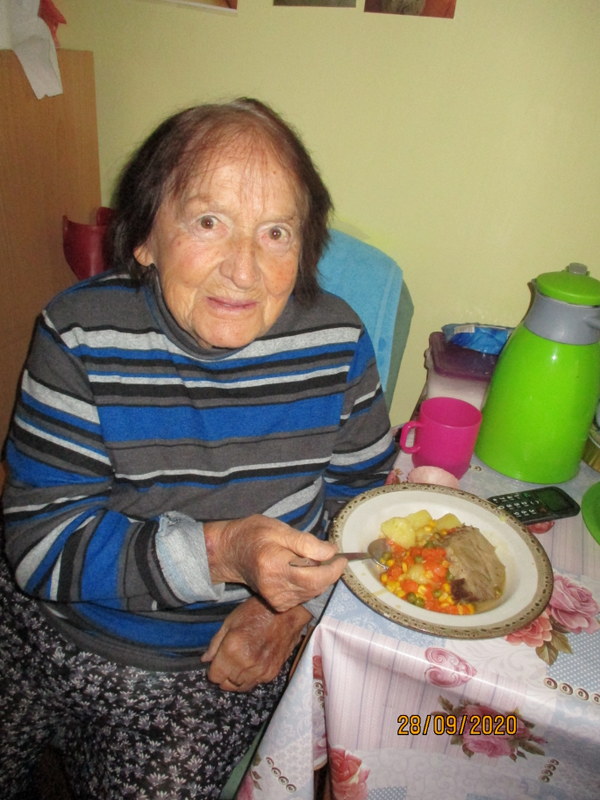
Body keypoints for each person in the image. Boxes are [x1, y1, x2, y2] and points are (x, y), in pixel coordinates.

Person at [0, 98, 396, 799]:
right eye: (208, 222)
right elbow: (40, 545)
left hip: (203, 669)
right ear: (145, 238)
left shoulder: (336, 345)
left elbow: (362, 508)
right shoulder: (78, 334)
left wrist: (287, 610)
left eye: (276, 232)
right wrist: (222, 552)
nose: (244, 270)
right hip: (41, 632)